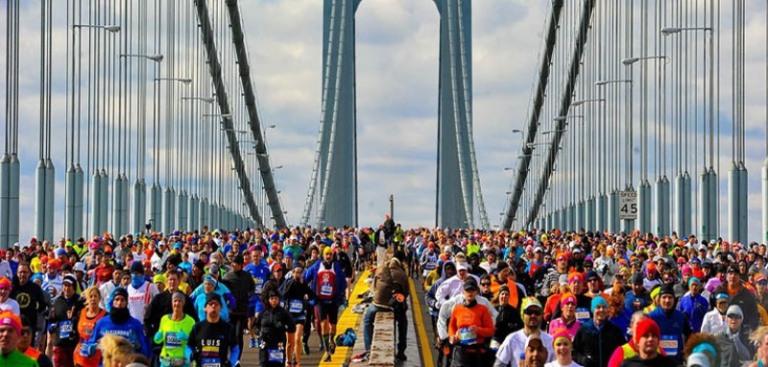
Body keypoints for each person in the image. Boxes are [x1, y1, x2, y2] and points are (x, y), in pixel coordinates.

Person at [354, 254, 409, 363]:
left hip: (378, 304)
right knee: (403, 322)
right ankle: (401, 351)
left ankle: (368, 349)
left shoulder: (380, 269)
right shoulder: (402, 273)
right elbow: (406, 293)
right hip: (394, 306)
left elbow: (374, 288)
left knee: (367, 320)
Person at [303, 246, 346, 362]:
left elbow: (343, 283)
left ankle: (332, 340)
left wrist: (340, 294)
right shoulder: (317, 266)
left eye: (330, 255)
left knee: (333, 327)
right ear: (323, 255)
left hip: (333, 300)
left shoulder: (336, 267)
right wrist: (307, 292)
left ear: (332, 256)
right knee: (323, 324)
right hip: (320, 300)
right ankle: (327, 351)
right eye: (326, 254)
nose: (328, 257)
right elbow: (305, 277)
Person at [83, 287, 150, 357]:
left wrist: (138, 347)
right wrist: (90, 348)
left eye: (122, 300)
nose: (119, 303)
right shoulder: (101, 323)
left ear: (127, 302)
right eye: (117, 299)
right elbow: (91, 343)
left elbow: (146, 352)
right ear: (112, 302)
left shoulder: (135, 324)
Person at [448, 278, 495, 367]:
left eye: (472, 290)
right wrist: (452, 336)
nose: (470, 293)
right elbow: (452, 327)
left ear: (477, 292)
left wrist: (478, 330)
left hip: (477, 353)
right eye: (467, 290)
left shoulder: (483, 309)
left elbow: (490, 331)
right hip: (460, 352)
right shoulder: (457, 308)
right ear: (463, 292)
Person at [494, 297, 554, 367]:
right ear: (522, 314)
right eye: (529, 312)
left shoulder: (550, 341)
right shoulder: (511, 340)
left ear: (541, 315)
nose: (533, 315)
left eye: (537, 312)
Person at [187, 293, 240, 367]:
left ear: (220, 308)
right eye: (210, 304)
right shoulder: (197, 327)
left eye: (216, 304)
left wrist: (231, 363)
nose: (213, 306)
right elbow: (189, 346)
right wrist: (191, 355)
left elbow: (235, 349)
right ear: (205, 308)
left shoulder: (228, 328)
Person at [571, 296, 626, 367]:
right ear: (593, 310)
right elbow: (575, 352)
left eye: (604, 307)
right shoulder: (584, 329)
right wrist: (583, 360)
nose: (601, 310)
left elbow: (622, 350)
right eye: (598, 307)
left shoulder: (614, 330)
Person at [221, 254, 254, 361]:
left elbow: (252, 288)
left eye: (234, 263)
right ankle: (229, 356)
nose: (232, 265)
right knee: (230, 335)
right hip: (230, 311)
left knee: (238, 334)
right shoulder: (227, 276)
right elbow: (222, 290)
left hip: (242, 311)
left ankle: (237, 359)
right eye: (232, 263)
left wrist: (249, 296)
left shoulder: (247, 276)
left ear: (240, 265)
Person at [279, 262, 314, 367]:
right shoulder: (288, 282)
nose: (298, 274)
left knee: (298, 338)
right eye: (296, 272)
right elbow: (283, 294)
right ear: (292, 273)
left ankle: (298, 362)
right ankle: (288, 361)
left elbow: (311, 294)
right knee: (289, 342)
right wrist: (292, 282)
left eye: (300, 272)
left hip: (300, 314)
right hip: (289, 315)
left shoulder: (303, 283)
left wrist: (307, 297)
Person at [48, 274, 84, 367]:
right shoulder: (57, 301)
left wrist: (74, 317)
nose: (66, 288)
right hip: (60, 344)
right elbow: (52, 321)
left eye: (69, 286)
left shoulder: (80, 301)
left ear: (74, 287)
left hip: (75, 344)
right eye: (64, 285)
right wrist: (52, 321)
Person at [648, 284, 690, 363]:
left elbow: (689, 335)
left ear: (674, 300)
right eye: (664, 297)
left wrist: (686, 351)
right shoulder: (652, 317)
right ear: (659, 300)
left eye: (670, 297)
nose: (667, 300)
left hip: (676, 361)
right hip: (656, 361)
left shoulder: (681, 317)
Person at [253, 290, 296, 367]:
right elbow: (255, 326)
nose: (274, 301)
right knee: (263, 364)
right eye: (272, 298)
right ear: (268, 300)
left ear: (279, 300)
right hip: (265, 342)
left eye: (276, 299)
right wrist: (259, 332)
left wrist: (283, 326)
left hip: (278, 343)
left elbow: (292, 327)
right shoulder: (263, 312)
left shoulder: (283, 313)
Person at [153, 291, 195, 367]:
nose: (177, 303)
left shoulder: (190, 321)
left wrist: (187, 338)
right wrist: (158, 337)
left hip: (183, 361)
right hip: (167, 360)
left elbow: (195, 341)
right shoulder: (164, 319)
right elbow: (160, 338)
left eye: (180, 301)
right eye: (175, 301)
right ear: (172, 303)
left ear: (183, 303)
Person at [10, 263, 46, 343]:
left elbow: (42, 305)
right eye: (20, 272)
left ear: (29, 273)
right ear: (17, 273)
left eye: (25, 272)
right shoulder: (12, 287)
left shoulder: (35, 288)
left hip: (30, 325)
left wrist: (34, 312)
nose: (22, 274)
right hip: (14, 325)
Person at [73, 286, 106, 367]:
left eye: (95, 296)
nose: (93, 299)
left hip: (97, 358)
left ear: (99, 298)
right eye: (91, 296)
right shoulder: (80, 313)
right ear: (87, 299)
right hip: (80, 356)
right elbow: (74, 331)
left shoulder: (105, 315)